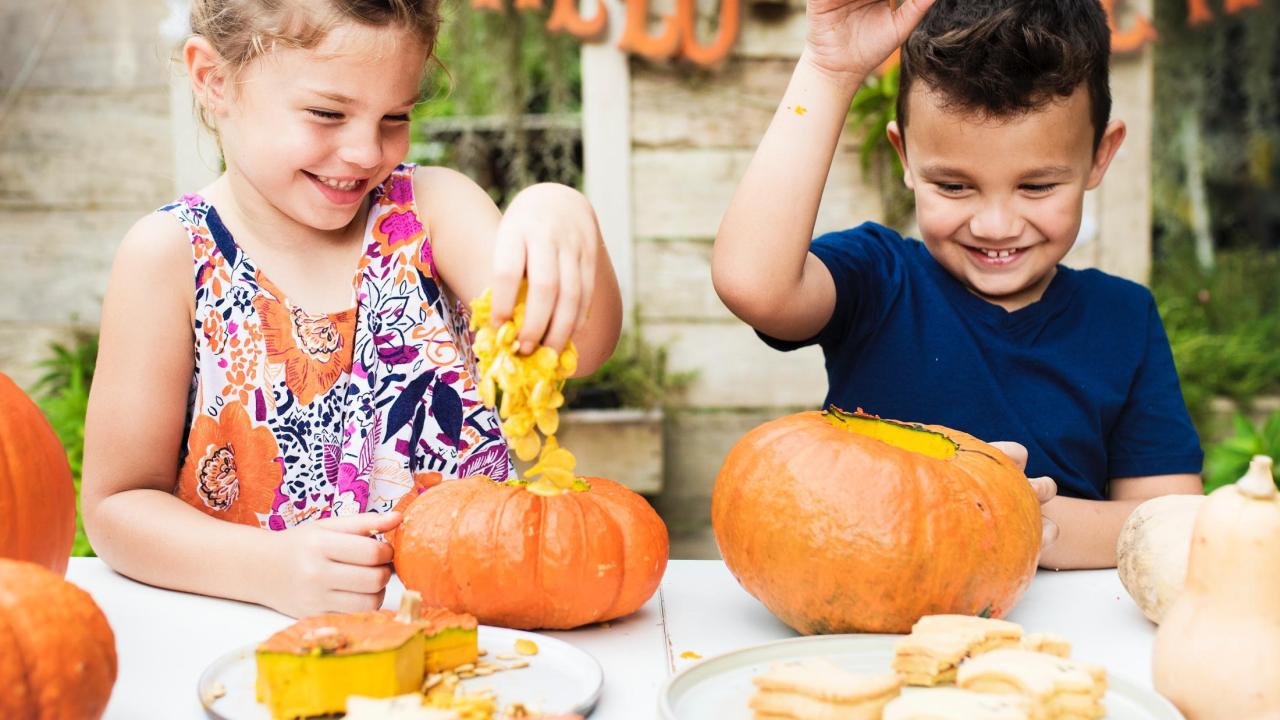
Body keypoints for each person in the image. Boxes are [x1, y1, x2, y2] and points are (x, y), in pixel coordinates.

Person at [81, 0, 622, 617]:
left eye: (395, 115)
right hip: (255, 648)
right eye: (327, 113)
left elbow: (579, 351)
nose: (367, 151)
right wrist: (268, 566)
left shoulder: (433, 213)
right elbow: (117, 505)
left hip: (470, 640)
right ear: (214, 80)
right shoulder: (171, 257)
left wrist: (562, 213)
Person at [711, 0, 1203, 569]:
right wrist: (829, 69)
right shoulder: (878, 278)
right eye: (953, 186)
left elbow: (1173, 522)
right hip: (873, 626)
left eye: (1038, 186)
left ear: (1100, 156)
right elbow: (753, 285)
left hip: (1061, 641)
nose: (996, 225)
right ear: (906, 158)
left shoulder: (1124, 317)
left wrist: (1031, 522)